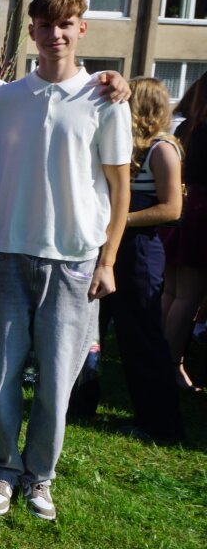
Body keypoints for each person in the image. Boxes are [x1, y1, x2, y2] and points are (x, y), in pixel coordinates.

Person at [0, 0, 131, 521]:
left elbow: (120, 188)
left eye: (65, 25)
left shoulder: (105, 99)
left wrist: (108, 261)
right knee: (2, 376)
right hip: (10, 255)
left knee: (56, 382)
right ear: (32, 31)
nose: (55, 35)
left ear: (81, 29)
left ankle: (39, 476)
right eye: (45, 26)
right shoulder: (4, 99)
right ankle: (2, 469)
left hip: (74, 262)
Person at [98, 78, 184, 440]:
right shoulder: (129, 147)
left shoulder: (162, 149)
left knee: (142, 338)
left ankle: (161, 423)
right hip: (116, 246)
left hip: (140, 250)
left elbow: (172, 209)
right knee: (105, 333)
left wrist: (120, 220)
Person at [163, 72, 207, 392]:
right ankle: (169, 365)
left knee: (171, 292)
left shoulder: (185, 126)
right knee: (188, 296)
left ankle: (158, 359)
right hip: (200, 213)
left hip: (182, 206)